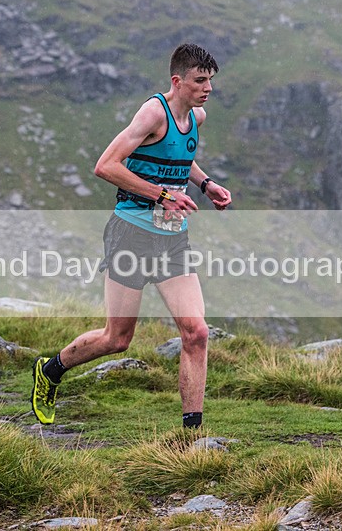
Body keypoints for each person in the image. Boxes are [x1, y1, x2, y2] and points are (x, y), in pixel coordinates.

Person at [31, 43, 231, 429]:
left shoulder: (197, 116)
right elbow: (106, 166)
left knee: (197, 332)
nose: (207, 88)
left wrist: (206, 184)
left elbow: (178, 154)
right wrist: (163, 195)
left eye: (210, 80)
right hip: (131, 234)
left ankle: (192, 438)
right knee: (117, 338)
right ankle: (51, 370)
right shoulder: (153, 112)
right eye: (199, 80)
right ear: (177, 81)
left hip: (172, 238)